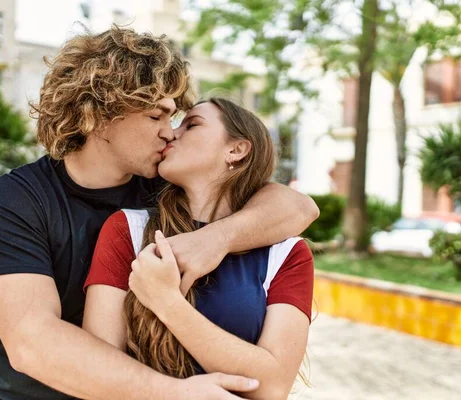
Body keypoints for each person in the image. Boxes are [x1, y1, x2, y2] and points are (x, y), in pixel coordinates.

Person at [0, 27, 319, 399]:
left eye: (177, 120)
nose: (169, 133)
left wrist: (215, 239)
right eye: (157, 116)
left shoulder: (164, 187)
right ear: (99, 113)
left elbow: (298, 207)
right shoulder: (14, 200)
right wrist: (174, 393)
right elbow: (34, 345)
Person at [83, 98, 314, 400]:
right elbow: (98, 371)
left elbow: (272, 386)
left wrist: (167, 303)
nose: (171, 133)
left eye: (192, 124)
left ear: (236, 150)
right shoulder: (128, 229)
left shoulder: (286, 254)